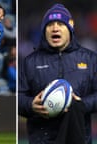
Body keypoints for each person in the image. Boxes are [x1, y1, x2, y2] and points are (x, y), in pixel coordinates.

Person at [19, 4, 97, 144]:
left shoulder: (90, 59)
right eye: (50, 25)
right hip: (42, 139)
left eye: (60, 24)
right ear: (44, 30)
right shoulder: (30, 62)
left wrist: (82, 105)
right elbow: (19, 97)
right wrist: (31, 105)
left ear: (70, 27)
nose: (55, 28)